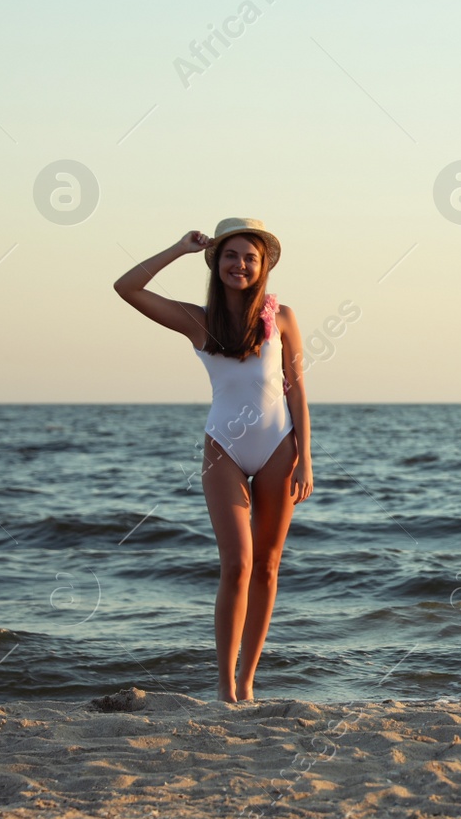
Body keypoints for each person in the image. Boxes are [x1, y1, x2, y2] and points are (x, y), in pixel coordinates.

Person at [113, 219, 313, 703]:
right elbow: (126, 287)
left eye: (250, 257)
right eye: (230, 255)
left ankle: (248, 683)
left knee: (267, 566)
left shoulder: (282, 317)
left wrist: (305, 457)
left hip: (278, 447)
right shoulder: (196, 320)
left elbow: (297, 389)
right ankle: (225, 686)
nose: (239, 264)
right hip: (222, 447)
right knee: (237, 564)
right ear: (216, 262)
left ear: (263, 266)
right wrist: (179, 249)